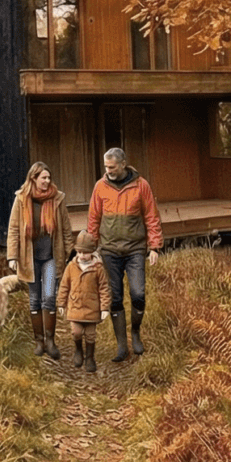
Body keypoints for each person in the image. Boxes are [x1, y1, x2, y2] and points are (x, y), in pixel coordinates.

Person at [85, 146, 162, 362]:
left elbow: (152, 217)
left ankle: (135, 333)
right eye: (106, 167)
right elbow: (93, 219)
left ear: (123, 164)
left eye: (112, 167)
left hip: (135, 249)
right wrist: (91, 250)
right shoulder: (100, 187)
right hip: (109, 251)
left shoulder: (141, 185)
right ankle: (121, 345)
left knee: (138, 294)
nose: (108, 171)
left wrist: (154, 247)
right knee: (115, 297)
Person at [4, 161, 69, 360]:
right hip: (29, 258)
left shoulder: (57, 199)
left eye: (49, 178)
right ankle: (39, 341)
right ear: (34, 178)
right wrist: (12, 256)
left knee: (48, 297)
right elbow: (14, 229)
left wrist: (70, 253)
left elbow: (66, 229)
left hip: (50, 257)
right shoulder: (22, 199)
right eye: (43, 178)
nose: (47, 181)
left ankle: (50, 341)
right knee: (34, 299)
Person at [58, 230, 111, 374]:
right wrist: (61, 303)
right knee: (76, 332)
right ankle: (78, 350)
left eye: (85, 253)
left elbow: (104, 288)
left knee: (90, 335)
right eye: (79, 252)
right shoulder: (71, 267)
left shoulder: (98, 268)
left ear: (92, 252)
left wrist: (104, 307)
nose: (82, 255)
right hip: (75, 306)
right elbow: (64, 286)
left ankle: (90, 357)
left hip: (92, 308)